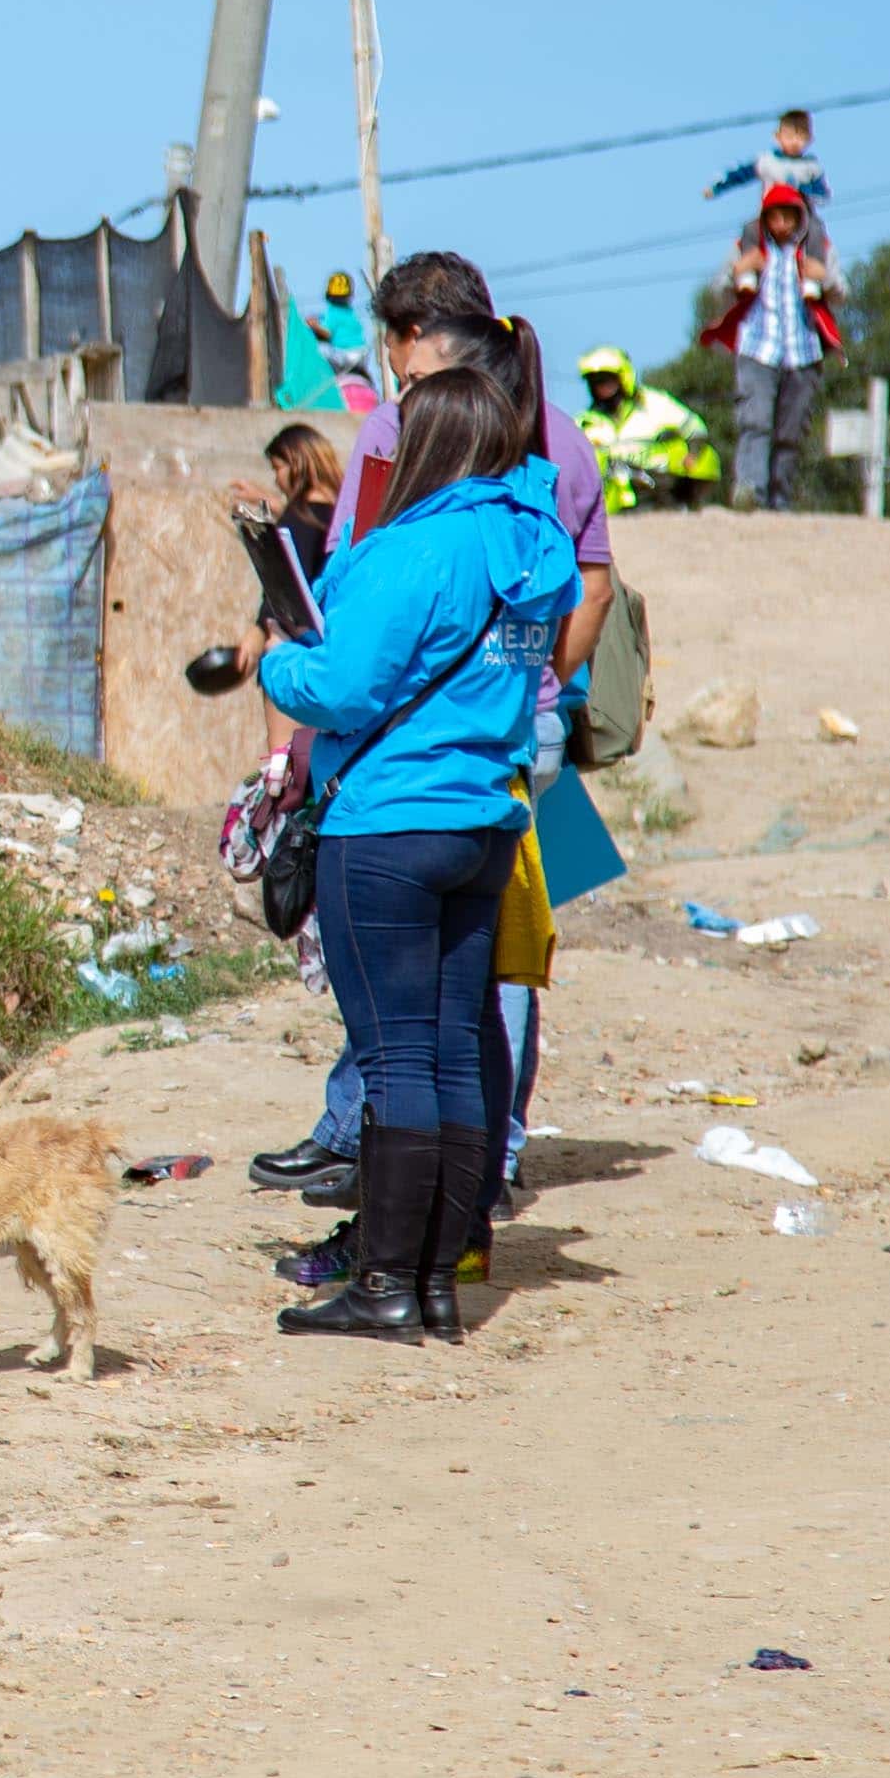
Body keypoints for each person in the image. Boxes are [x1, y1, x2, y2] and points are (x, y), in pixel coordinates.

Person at [252, 257, 611, 1218]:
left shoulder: (405, 448)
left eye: (395, 356)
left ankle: (381, 1209)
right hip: (513, 746)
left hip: (403, 770)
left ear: (413, 343)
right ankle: (480, 1180)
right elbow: (595, 587)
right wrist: (530, 692)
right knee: (504, 967)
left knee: (401, 1020)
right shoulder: (561, 451)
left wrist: (280, 684)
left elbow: (353, 652)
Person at [704, 183, 837, 512]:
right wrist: (739, 271)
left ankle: (780, 501)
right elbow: (717, 289)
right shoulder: (746, 247)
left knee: (790, 433)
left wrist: (826, 279)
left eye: (788, 217)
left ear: (799, 219)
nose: (781, 224)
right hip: (757, 349)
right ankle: (750, 494)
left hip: (802, 352)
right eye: (775, 217)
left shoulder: (817, 249)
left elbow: (840, 291)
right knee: (756, 422)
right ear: (765, 218)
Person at [225, 422, 341, 748]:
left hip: (297, 653)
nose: (276, 478)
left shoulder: (301, 517)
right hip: (333, 653)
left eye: (279, 467)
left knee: (284, 764)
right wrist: (274, 505)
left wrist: (257, 633)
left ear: (299, 463)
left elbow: (285, 584)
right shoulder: (341, 513)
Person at [575, 344, 719, 511]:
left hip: (659, 489)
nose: (602, 386)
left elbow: (696, 429)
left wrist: (691, 456)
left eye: (607, 379)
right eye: (595, 381)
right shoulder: (585, 421)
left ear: (623, 377)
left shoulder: (654, 402)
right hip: (610, 501)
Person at [705, 107, 831, 260]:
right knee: (750, 229)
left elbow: (823, 196)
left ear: (809, 139)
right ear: (777, 136)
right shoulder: (767, 161)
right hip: (771, 217)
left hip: (801, 220)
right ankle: (748, 275)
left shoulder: (811, 167)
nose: (794, 141)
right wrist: (717, 187)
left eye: (800, 136)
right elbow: (740, 174)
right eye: (789, 136)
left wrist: (803, 190)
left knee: (817, 230)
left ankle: (813, 274)